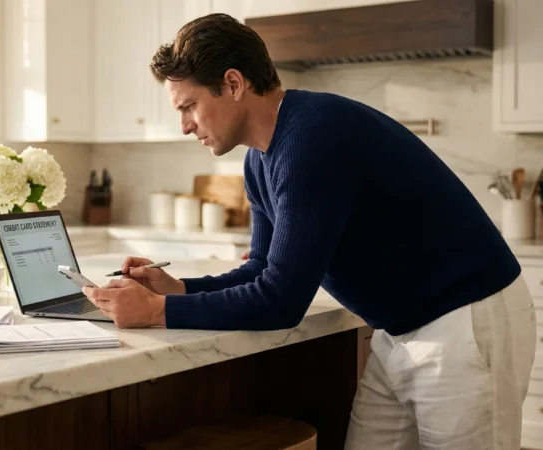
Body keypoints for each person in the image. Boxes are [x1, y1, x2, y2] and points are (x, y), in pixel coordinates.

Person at [82, 12, 536, 450]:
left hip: (465, 323)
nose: (184, 126)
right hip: (400, 331)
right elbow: (262, 269)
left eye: (189, 106)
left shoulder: (311, 138)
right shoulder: (259, 159)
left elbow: (281, 300)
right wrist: (178, 289)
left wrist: (156, 311)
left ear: (233, 84)